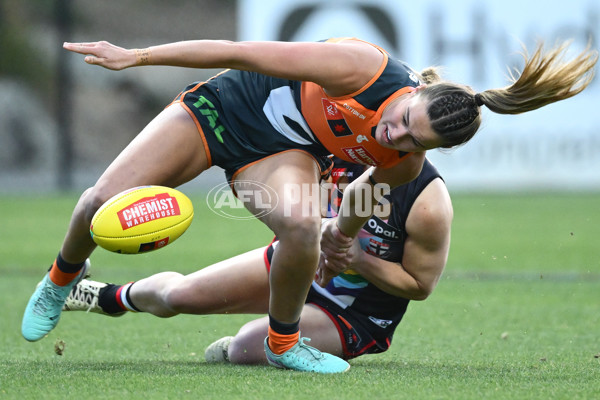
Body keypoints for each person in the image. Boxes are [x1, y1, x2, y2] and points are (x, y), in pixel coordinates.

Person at [21, 36, 597, 374]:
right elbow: (239, 51)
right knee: (99, 200)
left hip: (278, 152)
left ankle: (282, 341)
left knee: (301, 227)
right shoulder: (359, 69)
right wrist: (140, 58)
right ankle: (59, 280)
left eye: (414, 140)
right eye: (401, 121)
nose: (396, 136)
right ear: (414, 91)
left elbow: (355, 198)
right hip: (224, 109)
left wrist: (339, 239)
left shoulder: (406, 165)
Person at [62, 157, 452, 365]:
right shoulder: (338, 152)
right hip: (297, 267)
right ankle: (105, 296)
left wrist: (358, 260)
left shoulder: (427, 202)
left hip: (355, 314)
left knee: (246, 347)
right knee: (180, 296)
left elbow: (420, 286)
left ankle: (261, 339)